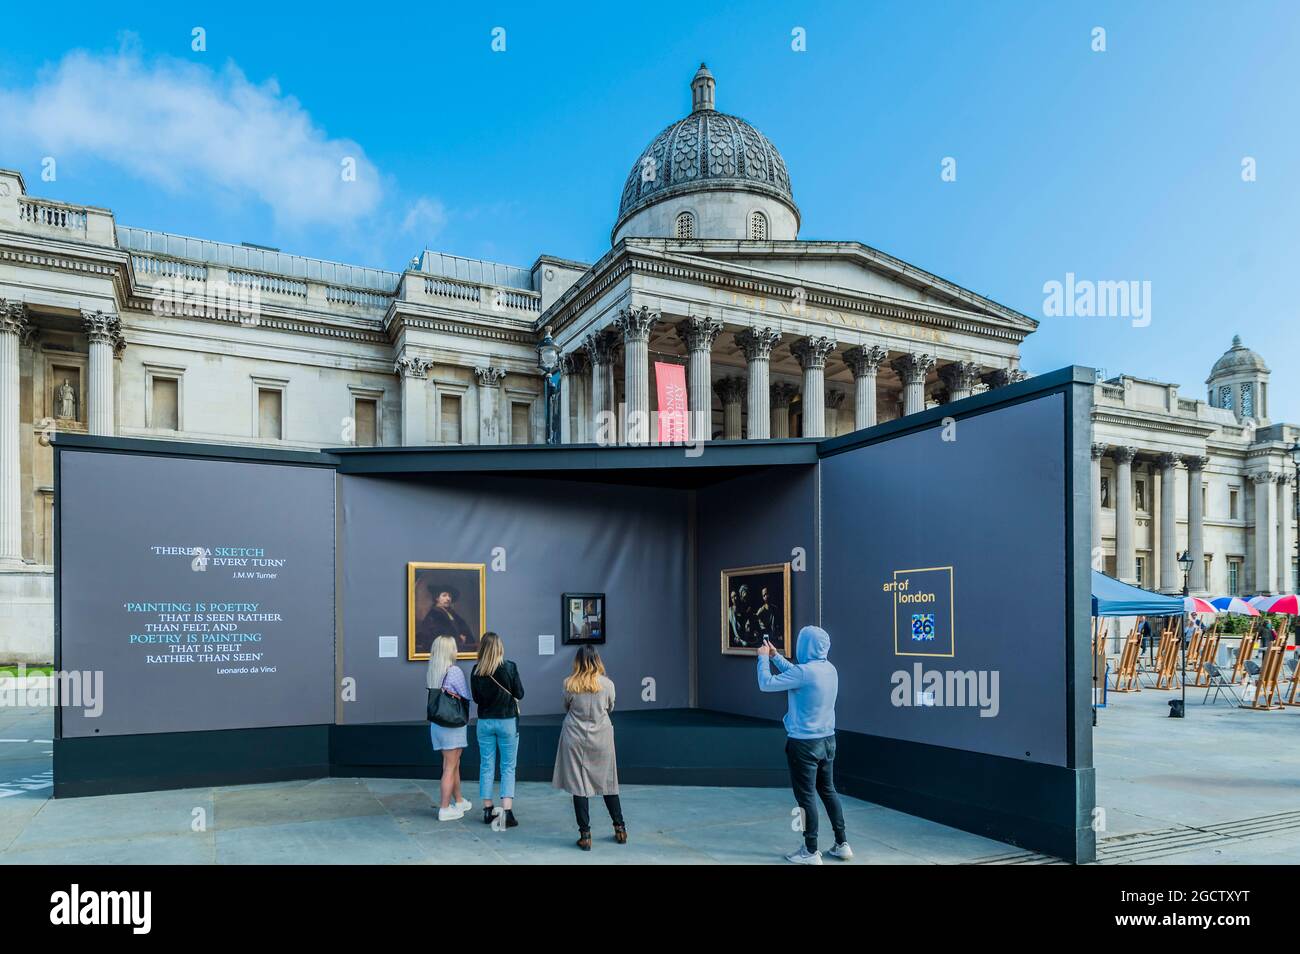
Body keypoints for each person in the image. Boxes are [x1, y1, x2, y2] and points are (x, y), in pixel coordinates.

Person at [757, 625, 852, 865]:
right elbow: (798, 674)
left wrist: (762, 659)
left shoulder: (804, 673)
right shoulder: (829, 669)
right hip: (828, 741)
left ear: (804, 645)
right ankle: (842, 843)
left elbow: (766, 683)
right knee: (828, 791)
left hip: (804, 744)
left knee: (806, 797)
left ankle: (810, 851)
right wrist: (776, 657)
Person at [552, 645, 626, 851]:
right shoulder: (608, 684)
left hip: (574, 736)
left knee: (578, 785)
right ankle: (620, 828)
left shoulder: (569, 683)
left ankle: (585, 835)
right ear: (598, 660)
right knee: (609, 782)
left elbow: (566, 706)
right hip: (601, 736)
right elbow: (610, 707)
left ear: (577, 661)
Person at [471, 632, 524, 828]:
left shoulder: (476, 670)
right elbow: (520, 693)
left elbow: (476, 699)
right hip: (507, 721)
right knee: (508, 766)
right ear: (500, 647)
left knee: (486, 765)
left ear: (482, 649)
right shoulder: (509, 667)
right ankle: (507, 813)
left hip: (485, 722)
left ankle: (487, 810)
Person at [427, 635, 473, 821]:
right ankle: (445, 808)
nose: (457, 650)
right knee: (450, 766)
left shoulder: (433, 669)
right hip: (452, 724)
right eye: (454, 647)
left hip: (438, 724)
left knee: (453, 764)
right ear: (448, 650)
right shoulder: (453, 671)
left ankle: (459, 801)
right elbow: (465, 695)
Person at [416, 584, 476, 655]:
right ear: (437, 598)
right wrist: (458, 639)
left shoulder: (452, 614)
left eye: (450, 596)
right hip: (441, 652)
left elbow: (465, 630)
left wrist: (465, 637)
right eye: (444, 595)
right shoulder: (434, 614)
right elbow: (437, 636)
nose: (448, 598)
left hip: (454, 649)